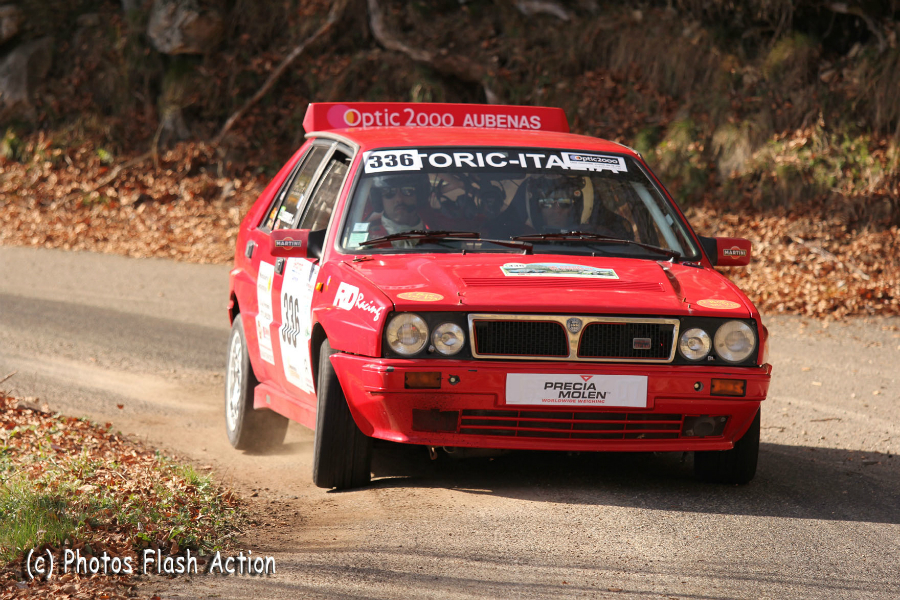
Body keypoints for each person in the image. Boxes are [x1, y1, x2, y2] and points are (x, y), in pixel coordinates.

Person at [365, 173, 430, 238]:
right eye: (389, 192)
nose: (399, 199)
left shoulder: (437, 230)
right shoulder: (367, 236)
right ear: (379, 199)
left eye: (408, 190)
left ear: (419, 195)